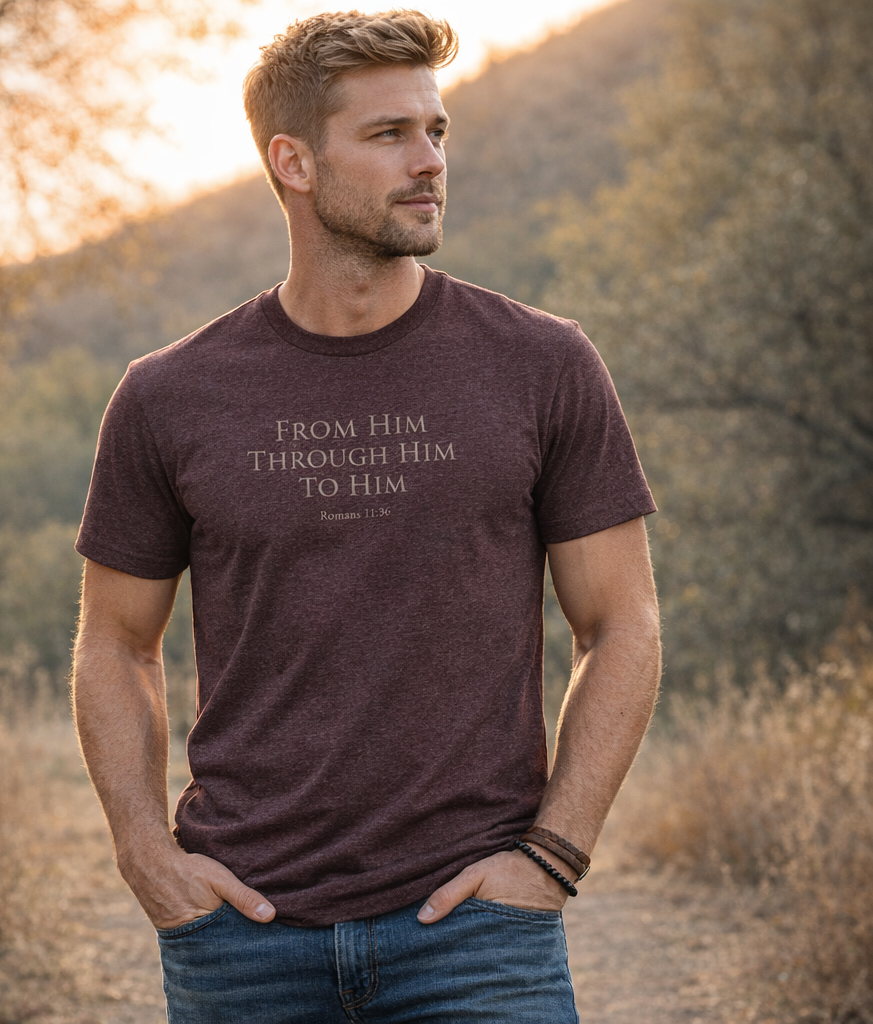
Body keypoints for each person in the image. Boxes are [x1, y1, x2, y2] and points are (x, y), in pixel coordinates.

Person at [71, 10, 661, 1023]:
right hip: (243, 935)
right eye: (388, 134)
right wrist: (145, 854)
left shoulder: (542, 364)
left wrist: (552, 856)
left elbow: (621, 626)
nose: (428, 159)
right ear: (291, 161)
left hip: (478, 934)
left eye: (436, 131)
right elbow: (115, 643)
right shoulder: (168, 395)